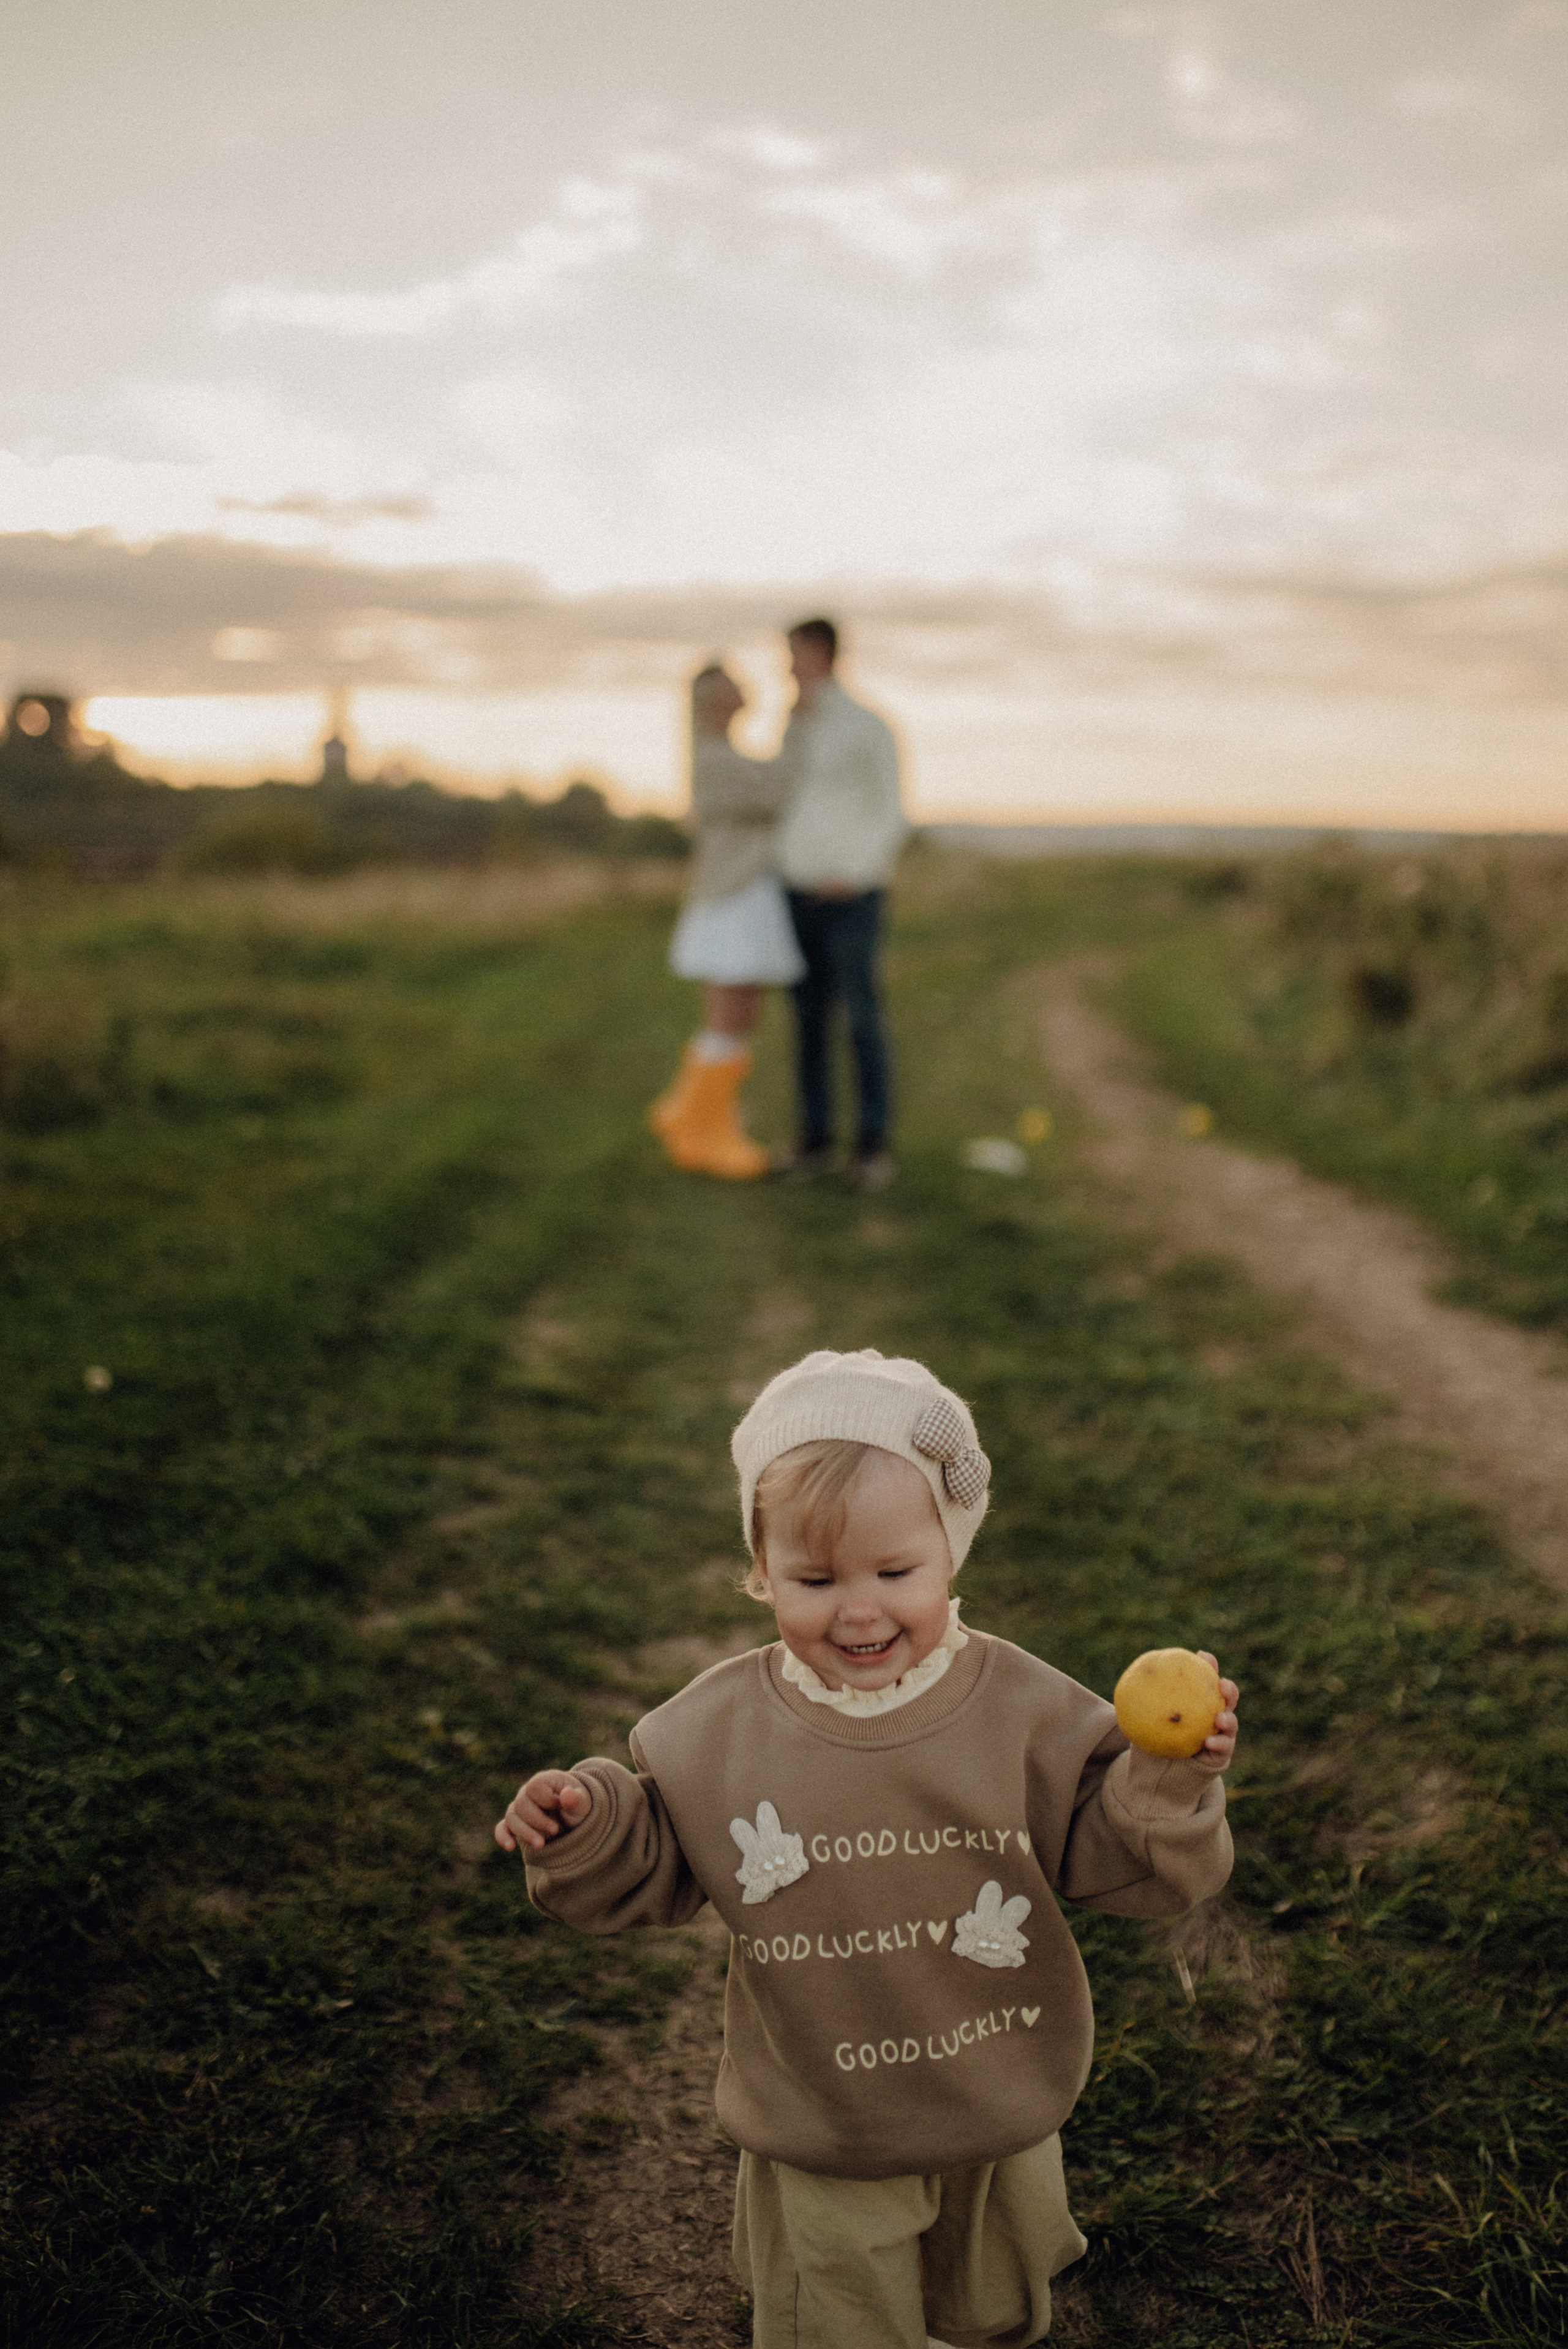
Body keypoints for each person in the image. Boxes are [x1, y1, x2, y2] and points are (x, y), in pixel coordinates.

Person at [496, 1348, 1239, 2349]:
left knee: (990, 2311)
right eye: (813, 1576)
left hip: (997, 2092)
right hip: (826, 2117)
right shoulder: (714, 1731)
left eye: (896, 1572)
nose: (858, 1609)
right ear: (761, 1573)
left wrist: (1167, 1777)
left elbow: (1119, 1860)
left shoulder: (1023, 1708)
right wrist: (585, 1821)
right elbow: (657, 1858)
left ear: (950, 1553)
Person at [649, 662, 804, 1180]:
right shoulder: (715, 760)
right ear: (716, 699)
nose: (745, 688)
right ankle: (706, 1132)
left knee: (736, 1018)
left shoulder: (722, 756)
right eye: (734, 683)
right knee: (731, 1019)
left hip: (740, 896)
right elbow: (782, 789)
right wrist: (798, 726)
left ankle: (693, 1117)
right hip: (733, 899)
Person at [775, 617, 908, 1191]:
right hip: (796, 890)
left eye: (795, 654)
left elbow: (890, 811)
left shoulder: (868, 725)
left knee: (860, 1017)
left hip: (852, 894)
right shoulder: (793, 727)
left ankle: (872, 1146)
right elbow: (787, 803)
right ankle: (815, 1140)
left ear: (822, 652)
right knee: (806, 1019)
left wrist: (852, 872)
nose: (787, 666)